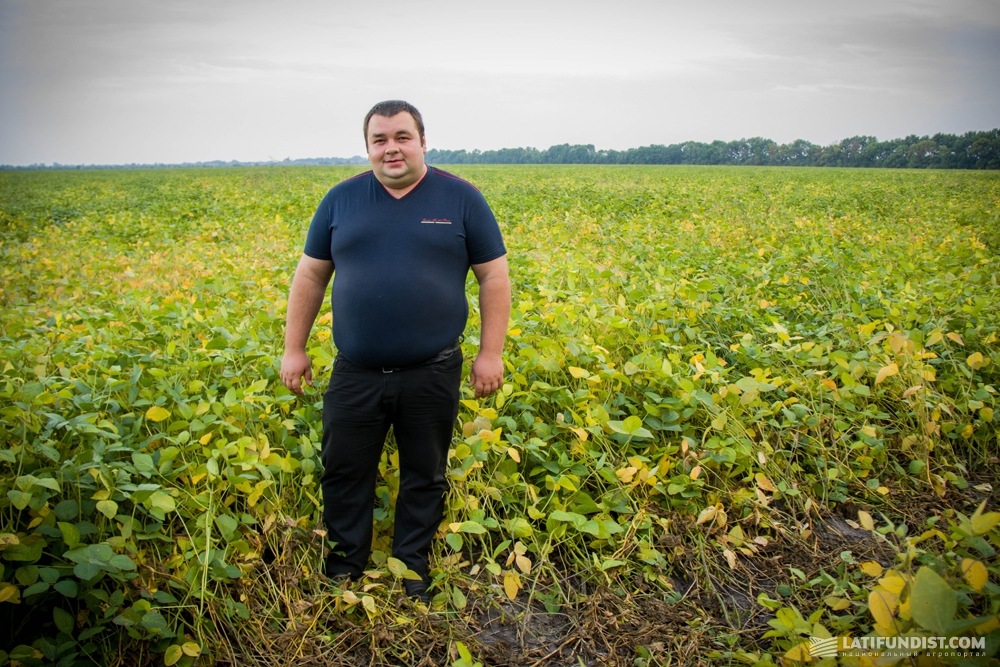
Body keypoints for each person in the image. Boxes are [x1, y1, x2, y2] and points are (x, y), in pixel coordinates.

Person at [279, 100, 510, 602]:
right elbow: (311, 275)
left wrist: (489, 353)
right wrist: (293, 348)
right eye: (379, 140)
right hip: (355, 371)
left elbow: (494, 276)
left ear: (423, 142)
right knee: (343, 470)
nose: (391, 148)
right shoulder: (340, 201)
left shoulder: (462, 199)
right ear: (367, 147)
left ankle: (412, 572)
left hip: (432, 369)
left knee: (424, 473)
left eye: (402, 137)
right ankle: (343, 570)